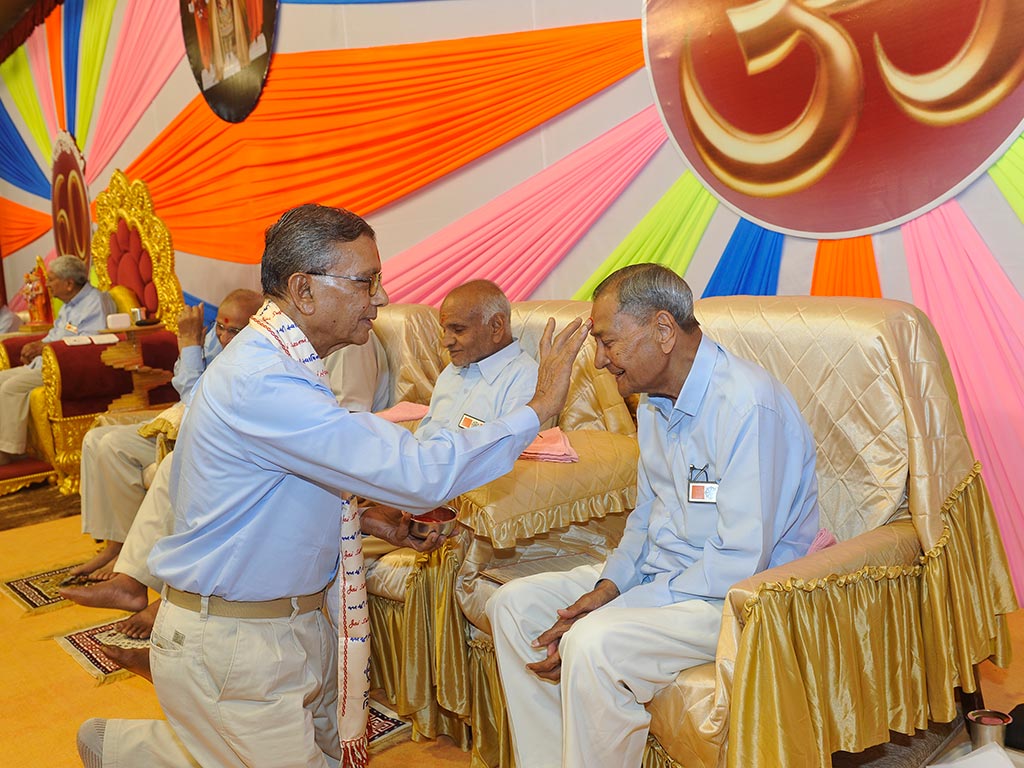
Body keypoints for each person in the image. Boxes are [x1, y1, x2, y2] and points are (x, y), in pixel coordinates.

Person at [77, 203, 588, 768]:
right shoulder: (264, 379)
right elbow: (418, 472)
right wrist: (537, 409)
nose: (382, 297)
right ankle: (132, 752)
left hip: (287, 624)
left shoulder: (287, 362)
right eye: (366, 281)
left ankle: (124, 750)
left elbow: (278, 486)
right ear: (304, 289)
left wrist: (368, 518)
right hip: (238, 643)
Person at [485, 263, 819, 768]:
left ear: (663, 330)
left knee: (592, 643)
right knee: (513, 606)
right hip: (665, 581)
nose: (600, 361)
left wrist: (623, 606)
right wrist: (609, 588)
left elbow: (739, 561)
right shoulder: (655, 404)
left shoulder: (747, 406)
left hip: (732, 599)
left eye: (608, 341)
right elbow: (645, 517)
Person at [71, 290, 264, 581]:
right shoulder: (215, 337)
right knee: (96, 439)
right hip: (180, 421)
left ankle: (128, 557)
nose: (224, 337)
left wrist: (189, 344)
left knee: (112, 444)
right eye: (220, 327)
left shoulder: (257, 351)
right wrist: (190, 346)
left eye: (234, 331)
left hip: (205, 432)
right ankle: (116, 545)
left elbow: (195, 398)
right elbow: (181, 378)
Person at [0, 256, 114, 464]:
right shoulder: (69, 305)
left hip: (66, 368)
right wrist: (36, 347)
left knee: (11, 388)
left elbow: (89, 344)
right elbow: (54, 335)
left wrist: (45, 348)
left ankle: (9, 451)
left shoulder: (94, 302)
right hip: (47, 362)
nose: (47, 285)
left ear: (69, 283)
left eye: (51, 280)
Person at [415, 279, 537, 439]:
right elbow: (425, 433)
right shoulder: (453, 369)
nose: (446, 342)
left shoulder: (525, 380)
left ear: (496, 326)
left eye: (458, 330)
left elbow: (505, 449)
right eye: (444, 331)